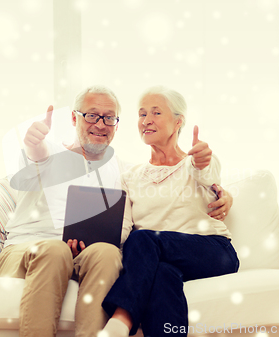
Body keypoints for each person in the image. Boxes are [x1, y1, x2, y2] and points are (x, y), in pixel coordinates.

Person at [0, 85, 234, 337]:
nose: (100, 123)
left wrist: (224, 195)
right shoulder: (52, 151)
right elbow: (38, 157)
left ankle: (114, 327)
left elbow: (202, 172)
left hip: (95, 254)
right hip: (32, 249)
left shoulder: (121, 170)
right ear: (74, 118)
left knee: (108, 253)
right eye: (91, 115)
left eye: (109, 118)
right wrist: (34, 144)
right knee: (59, 250)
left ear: (116, 125)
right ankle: (120, 319)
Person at [100, 86, 239, 337]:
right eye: (142, 114)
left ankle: (121, 319)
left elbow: (208, 172)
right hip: (161, 260)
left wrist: (203, 160)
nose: (147, 120)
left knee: (143, 237)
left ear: (178, 122)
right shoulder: (130, 177)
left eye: (156, 113)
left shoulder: (194, 163)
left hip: (213, 252)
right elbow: (122, 228)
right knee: (163, 274)